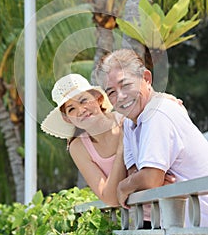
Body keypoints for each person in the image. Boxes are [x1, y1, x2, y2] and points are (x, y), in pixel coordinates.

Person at [96, 48, 208, 226]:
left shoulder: (157, 112)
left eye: (125, 85)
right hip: (181, 229)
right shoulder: (129, 123)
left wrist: (123, 186)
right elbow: (135, 172)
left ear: (146, 79)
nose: (121, 97)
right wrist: (144, 179)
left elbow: (149, 179)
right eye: (111, 92)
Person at [41, 73, 176, 211]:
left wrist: (161, 98)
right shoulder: (78, 146)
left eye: (83, 101)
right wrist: (121, 148)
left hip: (170, 202)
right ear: (67, 119)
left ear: (98, 98)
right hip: (138, 219)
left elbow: (155, 174)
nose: (81, 110)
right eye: (71, 109)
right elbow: (111, 199)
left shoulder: (127, 117)